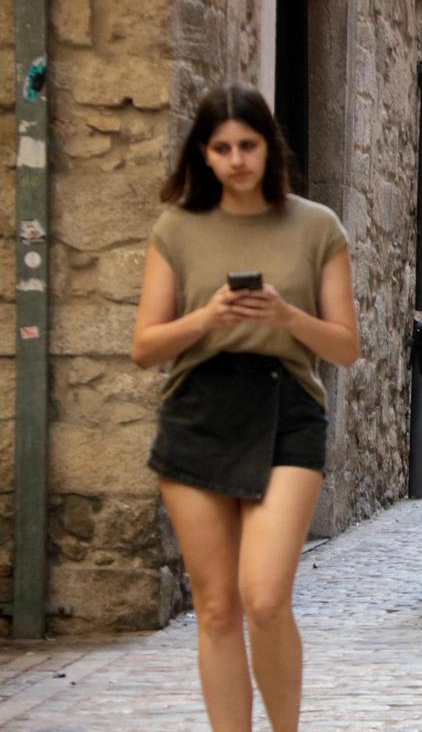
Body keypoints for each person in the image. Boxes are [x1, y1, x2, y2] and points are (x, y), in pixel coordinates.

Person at [132, 84, 360, 732]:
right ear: (202, 154)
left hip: (288, 408)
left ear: (269, 147)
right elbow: (145, 348)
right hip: (198, 409)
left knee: (263, 598)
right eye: (222, 148)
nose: (236, 160)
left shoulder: (316, 226)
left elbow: (345, 347)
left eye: (248, 145)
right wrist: (207, 317)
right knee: (215, 609)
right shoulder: (177, 228)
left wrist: (287, 316)